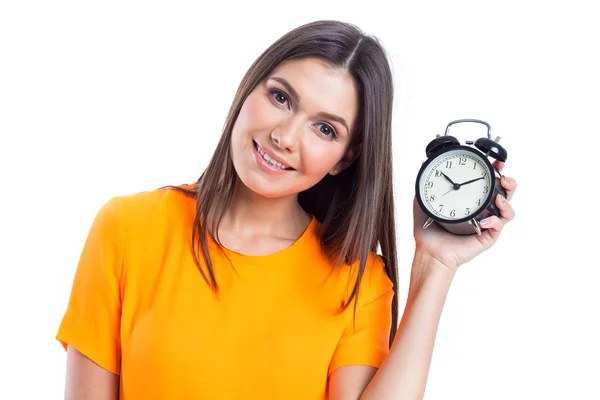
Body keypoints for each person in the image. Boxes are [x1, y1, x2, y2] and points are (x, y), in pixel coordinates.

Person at [56, 20, 517, 399]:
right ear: (249, 88)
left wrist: (434, 267)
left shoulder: (356, 281)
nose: (285, 136)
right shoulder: (128, 229)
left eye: (324, 129)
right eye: (280, 97)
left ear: (347, 158)